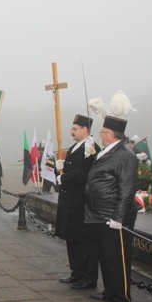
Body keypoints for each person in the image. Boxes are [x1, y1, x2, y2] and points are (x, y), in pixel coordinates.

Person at [85, 116, 138, 302]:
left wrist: (118, 217)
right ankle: (109, 290)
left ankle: (121, 296)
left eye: (102, 132)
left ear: (111, 134)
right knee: (105, 255)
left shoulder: (125, 155)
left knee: (117, 256)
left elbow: (127, 189)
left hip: (114, 214)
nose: (100, 135)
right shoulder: (107, 152)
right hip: (99, 212)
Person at [54, 115, 101, 290]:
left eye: (75, 128)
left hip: (81, 202)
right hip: (69, 201)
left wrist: (63, 176)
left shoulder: (91, 148)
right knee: (72, 239)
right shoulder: (75, 147)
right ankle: (77, 272)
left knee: (85, 242)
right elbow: (70, 170)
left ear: (85, 129)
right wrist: (60, 167)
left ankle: (89, 277)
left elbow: (84, 173)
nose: (71, 132)